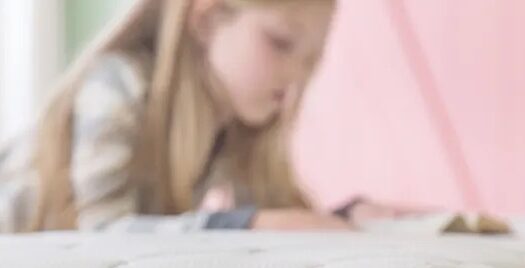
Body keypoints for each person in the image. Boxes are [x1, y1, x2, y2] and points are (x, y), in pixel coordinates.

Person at [0, 0, 406, 234]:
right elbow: (105, 237)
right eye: (281, 42)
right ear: (207, 20)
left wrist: (343, 222)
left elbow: (273, 217)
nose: (298, 76)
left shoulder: (226, 137)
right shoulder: (117, 85)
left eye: (312, 61)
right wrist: (242, 226)